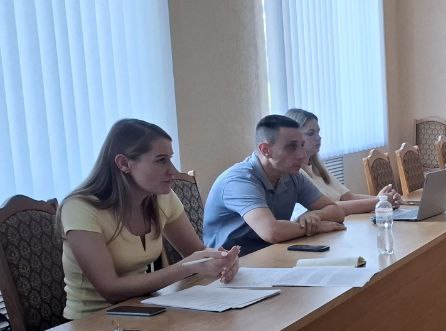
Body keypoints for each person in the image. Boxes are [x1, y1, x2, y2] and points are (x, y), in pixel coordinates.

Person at [59, 119, 240, 320]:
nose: (173, 170)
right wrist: (188, 266)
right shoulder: (80, 208)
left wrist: (222, 262)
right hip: (90, 323)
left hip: (144, 310)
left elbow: (196, 254)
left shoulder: (163, 198)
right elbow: (110, 290)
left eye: (170, 159)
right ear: (124, 163)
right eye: (161, 160)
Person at [204, 115, 346, 255]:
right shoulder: (239, 180)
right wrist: (316, 227)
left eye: (302, 145)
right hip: (231, 264)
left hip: (271, 254)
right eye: (291, 147)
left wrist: (314, 215)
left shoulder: (292, 175)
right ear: (265, 150)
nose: (302, 155)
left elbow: (336, 211)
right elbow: (271, 232)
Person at [286, 108, 401, 215]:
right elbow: (330, 207)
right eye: (311, 133)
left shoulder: (318, 167)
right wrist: (379, 201)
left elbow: (349, 197)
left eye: (318, 132)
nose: (318, 137)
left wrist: (384, 199)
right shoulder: (296, 173)